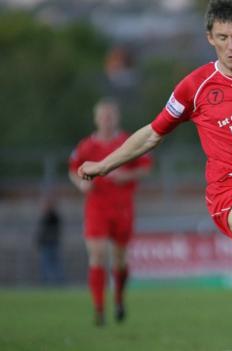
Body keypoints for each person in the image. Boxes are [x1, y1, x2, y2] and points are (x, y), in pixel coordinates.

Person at [77, 1, 232, 350]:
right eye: (223, 37)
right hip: (231, 191)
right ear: (210, 38)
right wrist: (105, 165)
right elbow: (153, 132)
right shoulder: (195, 86)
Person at [68, 98, 153, 326]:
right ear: (96, 119)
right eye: (102, 116)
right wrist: (81, 183)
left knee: (119, 260)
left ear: (117, 118)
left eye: (110, 116)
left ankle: (118, 299)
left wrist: (125, 176)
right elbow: (73, 170)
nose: (106, 120)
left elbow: (145, 167)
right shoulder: (87, 145)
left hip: (123, 208)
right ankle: (98, 308)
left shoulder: (127, 142)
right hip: (96, 208)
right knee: (97, 255)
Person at [35, 195, 64, 285]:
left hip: (51, 244)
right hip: (46, 244)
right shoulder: (46, 216)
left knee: (51, 264)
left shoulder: (52, 216)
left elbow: (52, 230)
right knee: (47, 264)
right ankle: (49, 282)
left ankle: (55, 282)